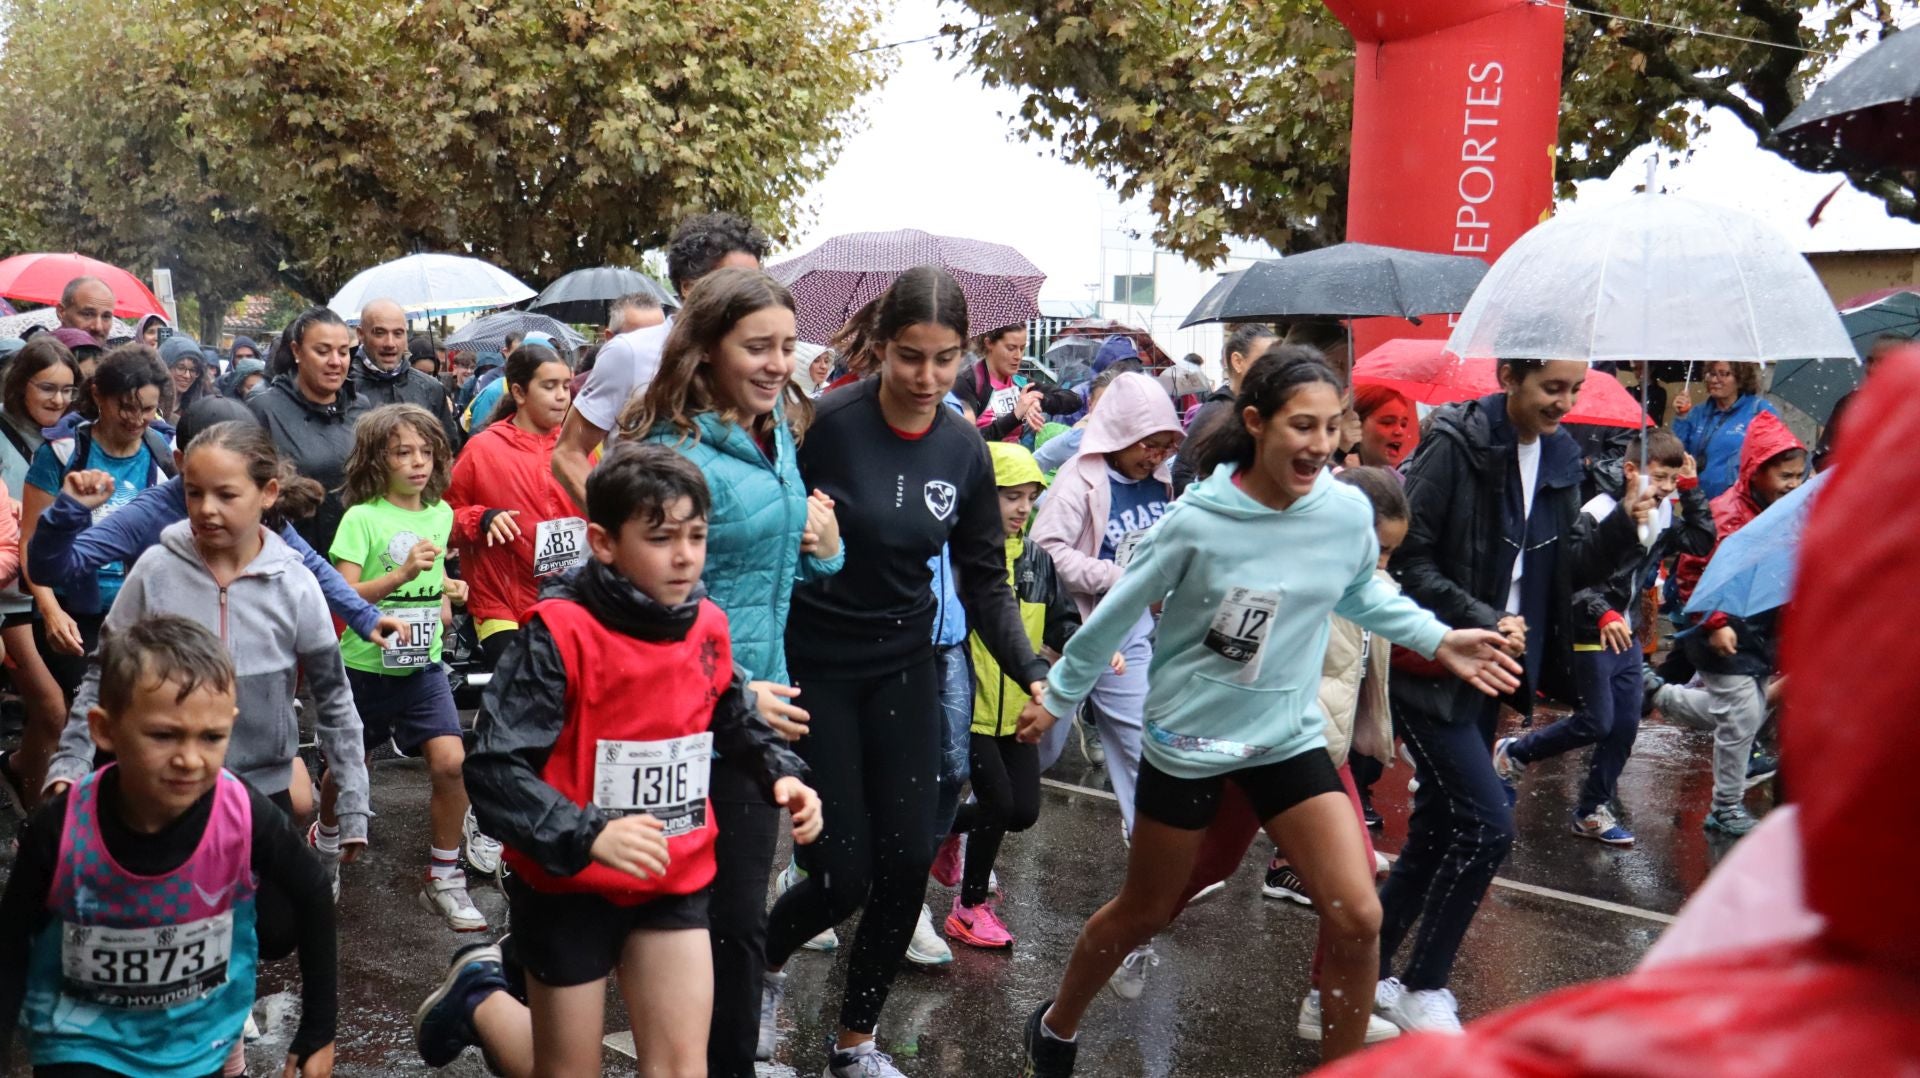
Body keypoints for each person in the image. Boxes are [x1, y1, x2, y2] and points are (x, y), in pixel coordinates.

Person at [1015, 352, 1521, 1075]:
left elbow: (1362, 594)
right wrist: (1059, 694)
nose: (1319, 443)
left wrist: (1440, 639)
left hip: (1285, 736)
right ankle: (1057, 1024)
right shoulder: (1198, 521)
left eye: (1330, 425)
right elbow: (1118, 609)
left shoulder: (1345, 511)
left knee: (1357, 913)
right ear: (1256, 423)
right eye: (1300, 425)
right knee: (1147, 910)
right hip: (1189, 741)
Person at [416, 442, 823, 1078]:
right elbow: (494, 770)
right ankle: (483, 1000)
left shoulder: (707, 623)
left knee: (681, 1070)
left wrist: (784, 774)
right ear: (603, 543)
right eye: (661, 538)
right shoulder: (557, 633)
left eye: (696, 535)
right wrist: (593, 833)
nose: (686, 555)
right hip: (569, 886)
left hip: (672, 875)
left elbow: (727, 713)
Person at [758, 267, 1049, 1078]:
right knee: (841, 872)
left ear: (965, 355)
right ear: (881, 348)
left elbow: (986, 579)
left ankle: (855, 1042)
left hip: (905, 665)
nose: (926, 378)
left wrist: (1029, 668)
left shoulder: (963, 447)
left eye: (945, 359)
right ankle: (764, 967)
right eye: (910, 357)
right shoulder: (830, 422)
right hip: (818, 666)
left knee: (905, 863)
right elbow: (767, 532)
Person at [1376, 359, 1650, 1034]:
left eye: (1573, 390)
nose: (1564, 403)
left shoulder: (1562, 453)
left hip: (1499, 671)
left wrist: (1623, 526)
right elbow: (1411, 560)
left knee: (1437, 831)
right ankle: (1423, 985)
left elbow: (1563, 572)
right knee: (1489, 824)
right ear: (1510, 377)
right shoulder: (1455, 443)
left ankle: (1354, 979)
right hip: (1434, 663)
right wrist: (1480, 615)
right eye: (1551, 388)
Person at [618, 268, 844, 1076]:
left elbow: (776, 565)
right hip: (678, 712)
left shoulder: (775, 430)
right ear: (707, 351)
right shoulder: (670, 453)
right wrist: (732, 686)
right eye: (758, 347)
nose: (779, 362)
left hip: (755, 712)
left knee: (738, 917)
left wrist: (828, 548)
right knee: (651, 908)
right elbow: (642, 605)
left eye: (787, 346)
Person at [0, 616, 339, 1078]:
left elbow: (314, 889)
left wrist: (319, 1029)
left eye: (212, 737)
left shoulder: (241, 812)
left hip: (198, 1043)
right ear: (104, 729)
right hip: (82, 1044)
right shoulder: (62, 828)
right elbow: (13, 942)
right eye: (163, 734)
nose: (189, 759)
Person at [41, 419, 373, 880]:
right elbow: (104, 673)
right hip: (160, 786)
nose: (206, 509)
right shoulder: (156, 568)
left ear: (269, 492)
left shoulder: (295, 582)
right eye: (194, 493)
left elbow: (334, 697)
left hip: (261, 786)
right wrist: (72, 761)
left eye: (226, 495)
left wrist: (353, 800)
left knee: (277, 930)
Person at [1492, 429, 1713, 846]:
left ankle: (1591, 809)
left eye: (1672, 478)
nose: (1666, 487)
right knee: (1597, 720)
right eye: (1659, 477)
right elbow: (1569, 576)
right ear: (1631, 471)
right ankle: (1515, 753)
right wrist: (1602, 610)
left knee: (1625, 724)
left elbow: (1700, 540)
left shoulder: (1663, 510)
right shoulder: (1596, 509)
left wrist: (1692, 487)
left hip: (1625, 630)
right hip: (1587, 628)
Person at [1026, 370, 1185, 953]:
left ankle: (1154, 875)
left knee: (1144, 747)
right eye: (1150, 443)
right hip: (1072, 637)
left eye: (1165, 444)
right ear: (1119, 432)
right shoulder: (1079, 480)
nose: (1157, 455)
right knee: (1037, 749)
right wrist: (1120, 579)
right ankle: (967, 837)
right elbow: (1046, 550)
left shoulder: (1162, 481)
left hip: (1133, 633)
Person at [328, 403, 494, 927]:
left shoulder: (440, 513)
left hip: (422, 665)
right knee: (346, 769)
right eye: (403, 452)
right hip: (363, 667)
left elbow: (434, 591)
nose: (417, 462)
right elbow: (344, 593)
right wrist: (400, 575)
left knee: (451, 762)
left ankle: (444, 877)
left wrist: (448, 593)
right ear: (378, 460)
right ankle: (328, 843)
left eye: (427, 451)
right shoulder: (362, 517)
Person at [943, 442, 1084, 950]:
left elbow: (1064, 619)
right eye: (1009, 497)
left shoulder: (1038, 560)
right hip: (972, 711)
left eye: (1030, 497)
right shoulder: (959, 559)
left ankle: (941, 831)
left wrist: (1090, 647)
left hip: (1018, 713)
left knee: (1022, 811)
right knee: (998, 804)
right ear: (982, 498)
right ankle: (968, 906)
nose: (1023, 508)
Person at [1647, 410, 1805, 837]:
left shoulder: (1784, 514)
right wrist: (1716, 622)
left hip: (1756, 634)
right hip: (1718, 633)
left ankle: (1659, 693)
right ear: (1757, 469)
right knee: (1740, 721)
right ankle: (1726, 806)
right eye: (1784, 475)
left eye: (1798, 475)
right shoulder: (1728, 515)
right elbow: (1692, 574)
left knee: (1737, 714)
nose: (1793, 484)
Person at [554, 213, 769, 509]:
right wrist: (622, 532)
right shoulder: (630, 351)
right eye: (733, 283)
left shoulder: (763, 364)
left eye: (755, 282)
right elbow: (568, 453)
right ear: (688, 286)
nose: (749, 295)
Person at [20, 344, 175, 707]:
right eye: (126, 407)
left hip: (139, 609)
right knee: (89, 714)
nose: (137, 419)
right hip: (71, 609)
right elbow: (29, 540)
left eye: (148, 409)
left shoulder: (163, 454)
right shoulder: (60, 453)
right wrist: (51, 612)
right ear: (98, 395)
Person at [447, 343, 581, 669]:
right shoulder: (482, 449)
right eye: (549, 387)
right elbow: (442, 520)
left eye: (566, 386)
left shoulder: (579, 447)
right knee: (523, 689)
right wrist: (481, 519)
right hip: (502, 603)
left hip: (568, 599)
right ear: (519, 393)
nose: (562, 396)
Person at [0, 337, 81, 808]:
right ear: (20, 385)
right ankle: (36, 824)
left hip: (52, 592)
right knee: (52, 710)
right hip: (9, 598)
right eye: (46, 387)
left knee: (57, 714)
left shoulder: (70, 440)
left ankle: (17, 771)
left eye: (67, 390)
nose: (57, 400)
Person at [252, 308, 369, 558]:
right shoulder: (264, 410)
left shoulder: (362, 408)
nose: (336, 361)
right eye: (323, 351)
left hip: (359, 560)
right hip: (292, 558)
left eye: (343, 351)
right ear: (296, 351)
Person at [1172, 324, 1278, 495]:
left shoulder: (1265, 407)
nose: (1274, 369)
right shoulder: (1218, 408)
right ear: (1238, 362)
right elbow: (1181, 472)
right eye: (1266, 361)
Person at [353, 298, 462, 451]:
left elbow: (448, 449)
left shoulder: (431, 388)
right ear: (361, 334)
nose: (390, 343)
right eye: (380, 333)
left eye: (398, 333)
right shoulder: (342, 386)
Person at [952, 324, 1082, 443]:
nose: (1018, 356)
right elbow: (966, 440)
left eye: (1022, 348)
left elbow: (1074, 400)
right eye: (1011, 348)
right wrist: (1015, 416)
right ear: (989, 343)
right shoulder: (968, 383)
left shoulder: (1019, 381)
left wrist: (1037, 401)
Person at [1672, 360, 1776, 500]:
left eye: (1724, 374)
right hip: (1698, 503)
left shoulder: (1759, 410)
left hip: (1740, 505)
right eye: (1711, 374)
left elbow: (1774, 456)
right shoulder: (1698, 413)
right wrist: (1682, 417)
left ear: (1740, 379)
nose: (1715, 380)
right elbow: (1677, 454)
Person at [1812, 334, 1901, 471]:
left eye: (1884, 362)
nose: (1872, 369)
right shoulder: (1850, 405)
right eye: (1870, 361)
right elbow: (1823, 458)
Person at [1343, 384, 1418, 471]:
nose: (1399, 431)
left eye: (1403, 424)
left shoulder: (1398, 481)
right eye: (1387, 423)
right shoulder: (1332, 477)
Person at [55, 276, 116, 345]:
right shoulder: (42, 353)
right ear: (61, 312)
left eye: (106, 317)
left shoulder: (115, 355)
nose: (98, 327)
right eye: (88, 314)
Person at [161, 335, 210, 420]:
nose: (187, 376)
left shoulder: (201, 407)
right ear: (165, 366)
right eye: (180, 368)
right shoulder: (150, 403)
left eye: (193, 370)